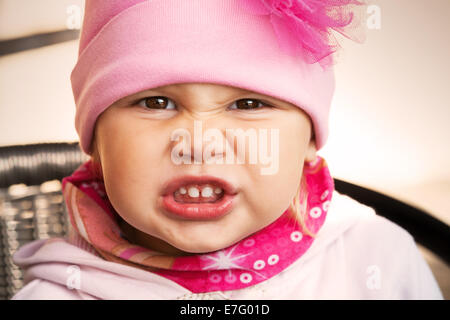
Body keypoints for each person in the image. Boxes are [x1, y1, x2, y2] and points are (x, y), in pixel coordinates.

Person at [11, 0, 443, 299]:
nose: (200, 144)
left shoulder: (375, 261)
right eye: (156, 102)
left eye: (249, 104)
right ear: (96, 144)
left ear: (309, 141)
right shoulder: (58, 292)